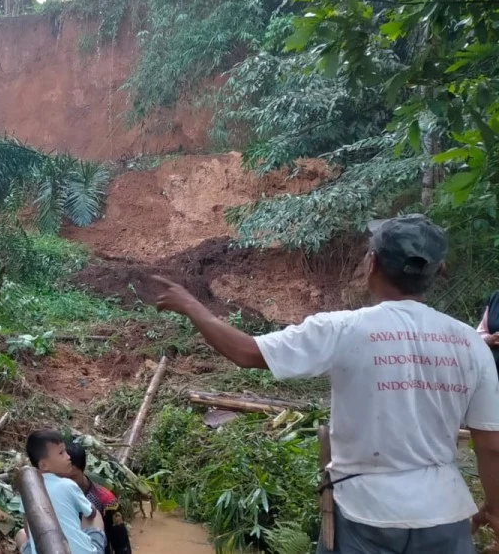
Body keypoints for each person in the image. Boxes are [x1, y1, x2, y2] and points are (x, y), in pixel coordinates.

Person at [151, 214, 499, 553]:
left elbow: (247, 352)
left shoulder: (343, 329)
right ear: (437, 272)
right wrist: (494, 507)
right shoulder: (470, 343)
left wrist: (192, 306)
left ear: (371, 264)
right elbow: (491, 445)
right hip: (444, 514)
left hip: (366, 513)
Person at [15, 430, 106, 554]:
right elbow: (91, 515)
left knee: (21, 534)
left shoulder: (27, 494)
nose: (68, 457)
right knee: (93, 514)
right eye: (61, 453)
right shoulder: (68, 485)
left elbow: (28, 530)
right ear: (44, 465)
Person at [63, 442, 132, 554]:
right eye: (62, 477)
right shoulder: (55, 495)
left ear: (83, 469)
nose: (67, 483)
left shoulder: (106, 500)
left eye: (73, 477)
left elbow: (121, 544)